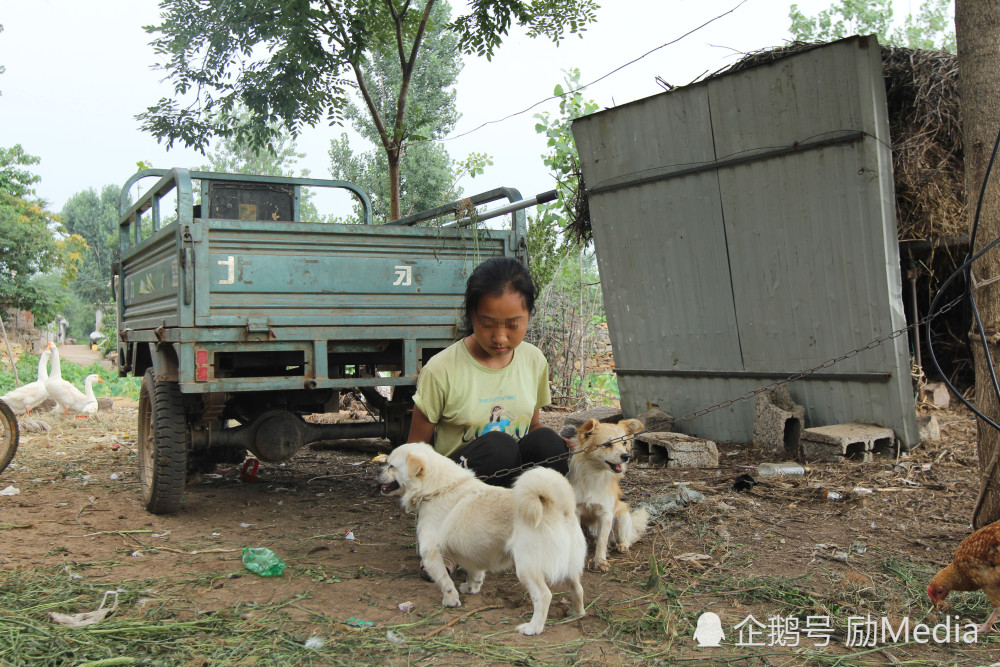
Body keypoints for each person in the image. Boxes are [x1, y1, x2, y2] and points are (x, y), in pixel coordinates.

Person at [407, 256, 570, 488]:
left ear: (529, 317)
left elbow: (532, 427)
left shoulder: (533, 360)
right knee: (499, 446)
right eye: (487, 324)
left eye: (513, 325)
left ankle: (543, 518)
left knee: (548, 442)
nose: (500, 337)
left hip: (513, 485)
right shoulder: (440, 369)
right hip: (457, 491)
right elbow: (415, 451)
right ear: (471, 315)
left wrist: (568, 445)